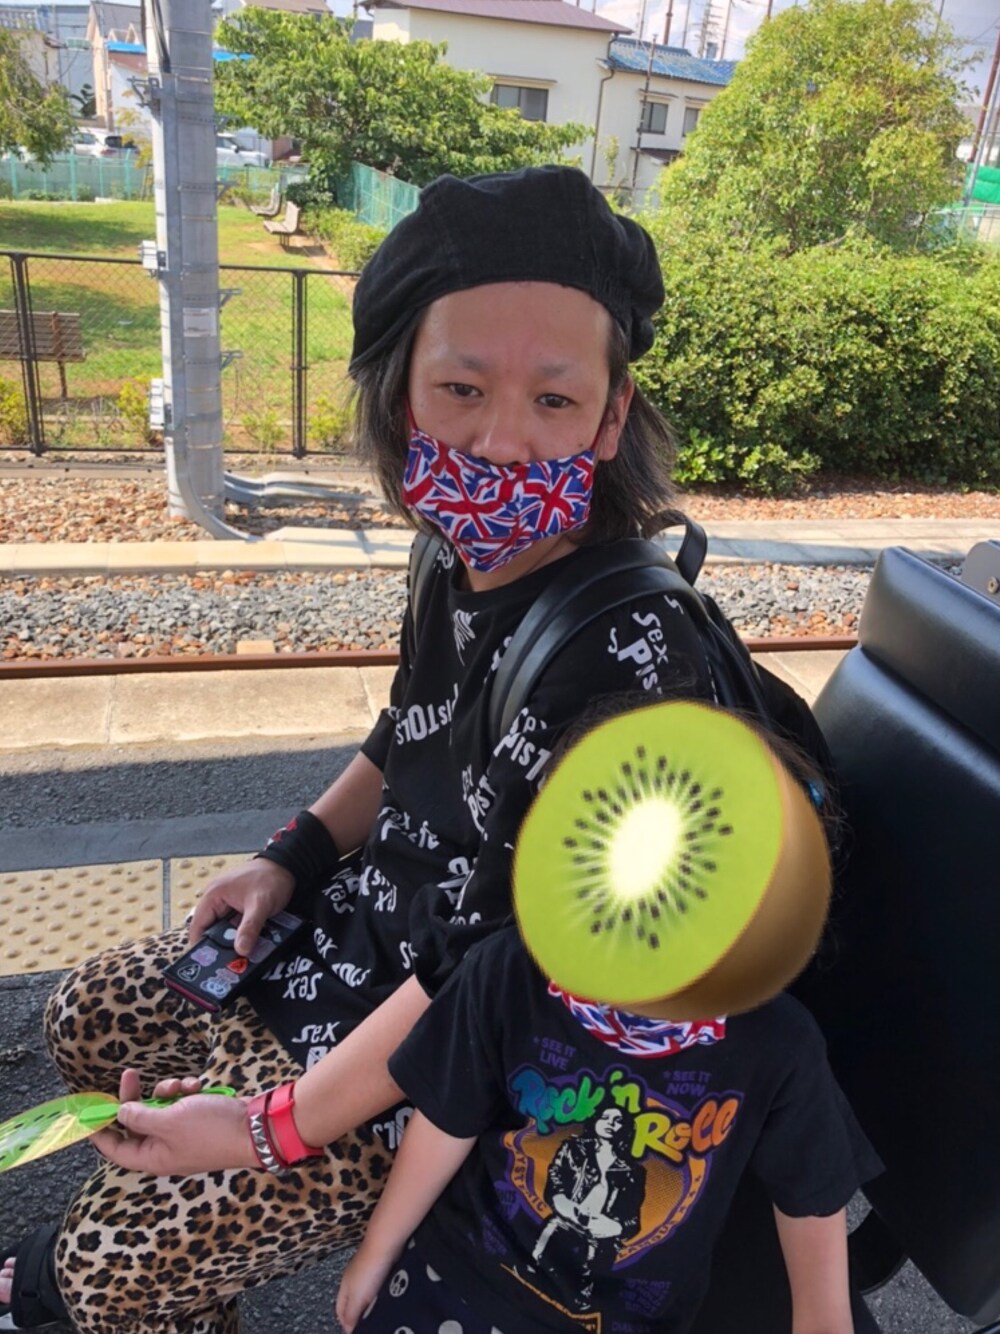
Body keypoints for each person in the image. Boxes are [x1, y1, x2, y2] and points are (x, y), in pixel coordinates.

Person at [0, 165, 719, 1334]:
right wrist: (288, 854)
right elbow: (408, 730)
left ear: (609, 414)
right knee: (85, 1016)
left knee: (99, 1266)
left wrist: (264, 1125)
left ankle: (136, 1276)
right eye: (461, 388)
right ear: (399, 398)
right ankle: (193, 1266)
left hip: (451, 1064)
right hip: (354, 943)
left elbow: (489, 975)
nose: (502, 441)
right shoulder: (453, 554)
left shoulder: (629, 658)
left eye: (553, 398)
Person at [335, 705, 881, 1334]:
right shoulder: (512, 972)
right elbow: (446, 1119)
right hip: (460, 1274)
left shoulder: (778, 1047)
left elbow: (812, 1203)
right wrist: (378, 1250)